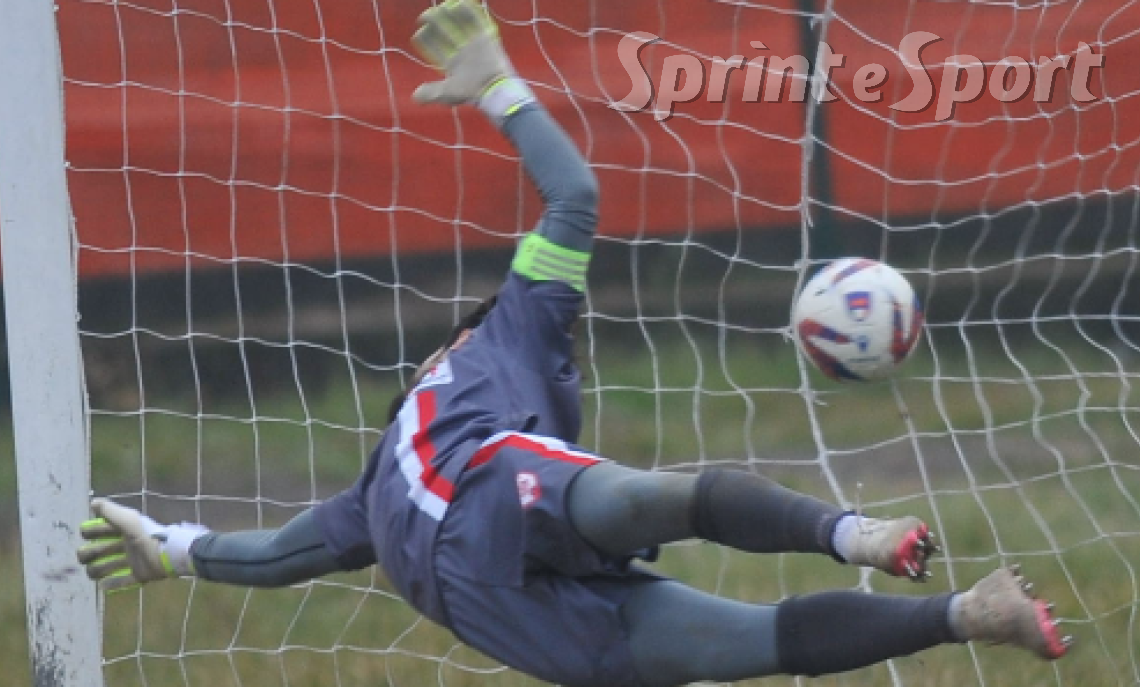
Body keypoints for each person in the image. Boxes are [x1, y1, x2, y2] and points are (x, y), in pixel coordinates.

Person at [77, 2, 1071, 685]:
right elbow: (576, 196)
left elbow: (273, 558)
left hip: (517, 614)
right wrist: (501, 87)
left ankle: (968, 614)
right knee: (653, 502)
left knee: (763, 640)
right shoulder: (507, 332)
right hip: (494, 496)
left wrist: (174, 548)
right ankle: (853, 535)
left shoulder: (366, 502)